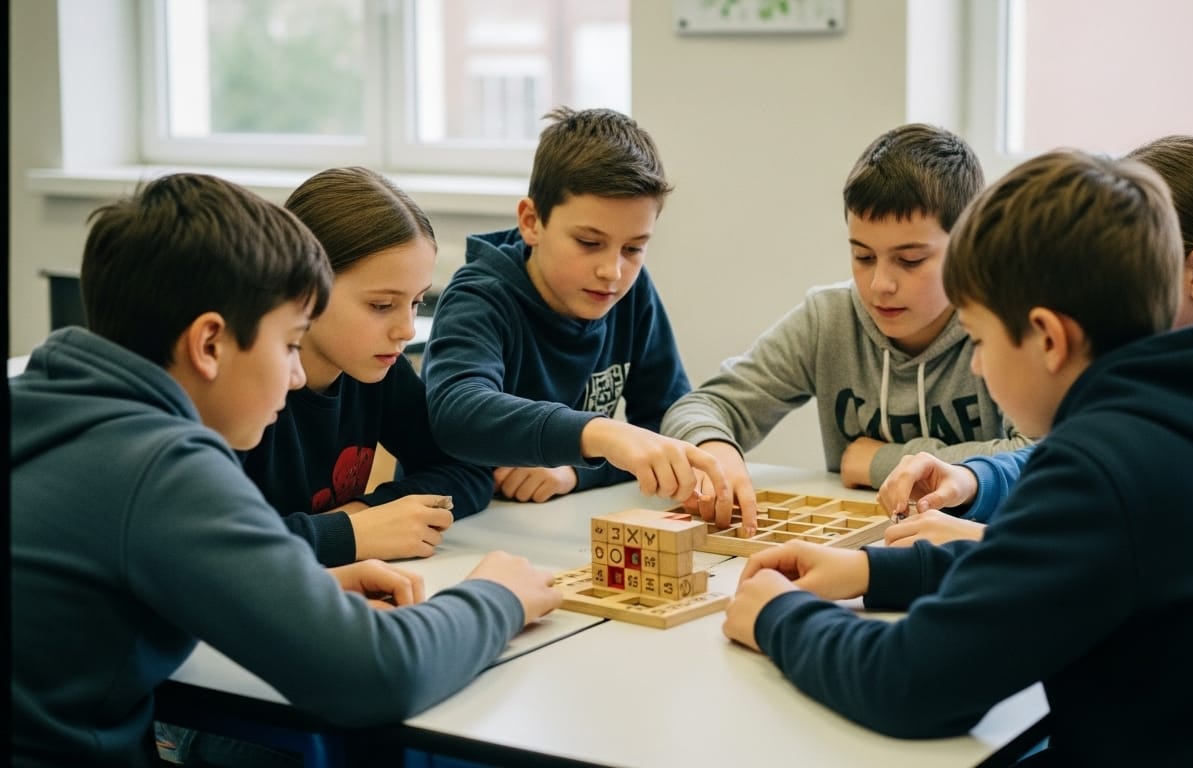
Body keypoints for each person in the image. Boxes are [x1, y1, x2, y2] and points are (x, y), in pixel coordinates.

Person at [722, 149, 1193, 765]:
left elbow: (914, 683)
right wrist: (872, 570)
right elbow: (1055, 568)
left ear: (1049, 339)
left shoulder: (1105, 466)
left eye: (979, 341)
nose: (978, 365)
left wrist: (778, 615)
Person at [10, 173, 562, 768]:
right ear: (209, 344)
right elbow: (375, 674)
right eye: (290, 344)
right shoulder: (159, 466)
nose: (297, 375)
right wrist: (498, 597)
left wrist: (301, 586)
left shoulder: (53, 406)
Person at [659, 124, 1030, 524]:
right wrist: (715, 449)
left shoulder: (1004, 325)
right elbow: (699, 407)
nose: (880, 284)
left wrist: (880, 461)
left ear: (967, 246)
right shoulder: (829, 320)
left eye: (910, 261)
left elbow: (1043, 454)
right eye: (863, 257)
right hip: (863, 546)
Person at [421, 106, 735, 529]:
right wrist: (598, 434)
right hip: (459, 525)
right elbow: (457, 413)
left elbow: (664, 423)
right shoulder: (480, 297)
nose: (613, 271)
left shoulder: (632, 293)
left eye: (633, 248)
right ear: (532, 222)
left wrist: (575, 469)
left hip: (557, 524)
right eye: (589, 242)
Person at [235, 166, 494, 568]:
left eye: (417, 302)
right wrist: (350, 533)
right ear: (304, 288)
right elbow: (218, 544)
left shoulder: (378, 370)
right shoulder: (240, 391)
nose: (407, 329)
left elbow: (468, 468)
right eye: (381, 305)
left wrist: (365, 512)